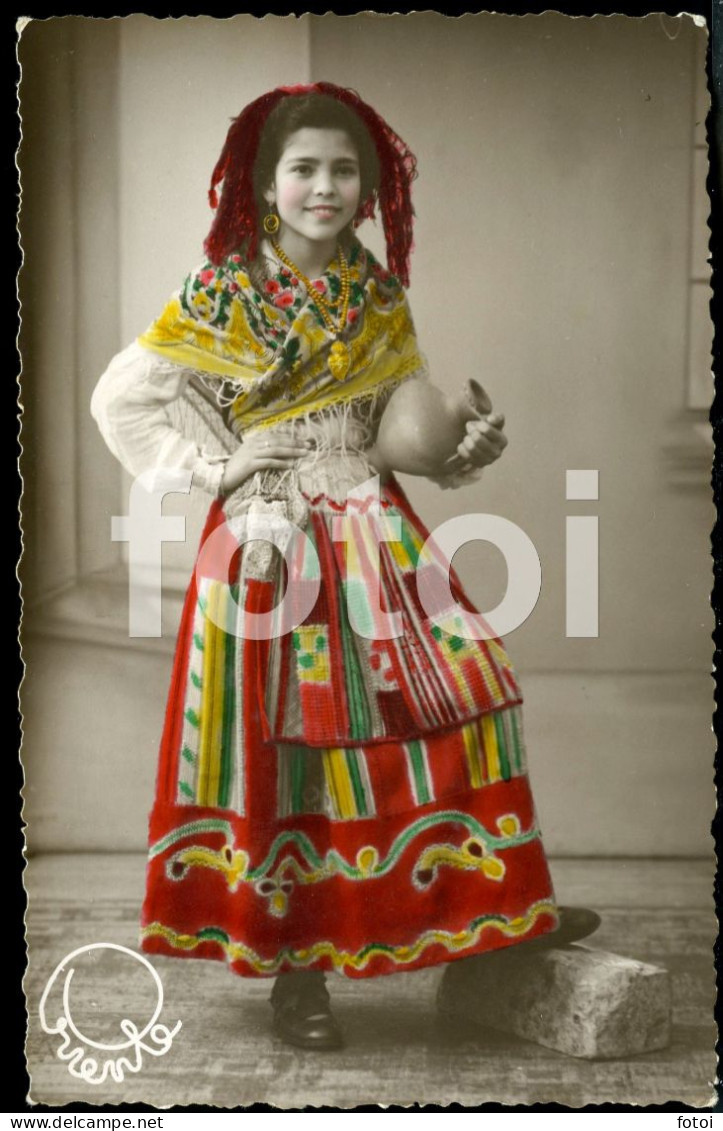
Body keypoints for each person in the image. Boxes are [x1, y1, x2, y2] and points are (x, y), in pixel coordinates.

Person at [91, 82, 570, 1053]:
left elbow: (400, 431)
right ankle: (297, 973)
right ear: (266, 186)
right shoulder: (221, 291)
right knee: (294, 755)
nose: (325, 186)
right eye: (303, 168)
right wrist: (214, 470)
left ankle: (494, 914)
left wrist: (461, 449)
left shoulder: (377, 295)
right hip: (268, 547)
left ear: (368, 187)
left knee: (464, 698)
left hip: (374, 528)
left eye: (343, 170)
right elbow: (120, 399)